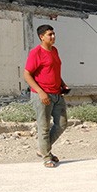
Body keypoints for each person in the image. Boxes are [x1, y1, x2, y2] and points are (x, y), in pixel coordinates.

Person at [24, 24, 69, 168]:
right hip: (42, 95)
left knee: (62, 123)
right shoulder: (35, 53)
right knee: (43, 127)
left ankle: (43, 149)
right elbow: (27, 74)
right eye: (50, 34)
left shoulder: (54, 51)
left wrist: (63, 84)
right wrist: (41, 92)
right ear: (41, 37)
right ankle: (46, 156)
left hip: (57, 93)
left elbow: (55, 71)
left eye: (54, 34)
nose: (53, 37)